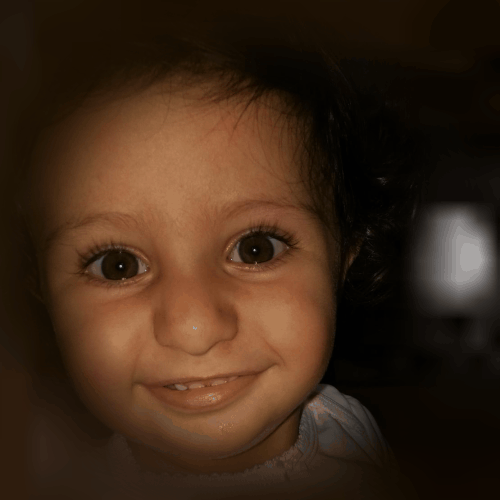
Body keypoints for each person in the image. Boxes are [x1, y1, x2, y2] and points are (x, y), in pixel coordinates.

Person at [0, 4, 424, 499]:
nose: (194, 327)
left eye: (255, 249)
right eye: (118, 266)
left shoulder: (347, 428)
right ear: (40, 288)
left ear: (346, 252)